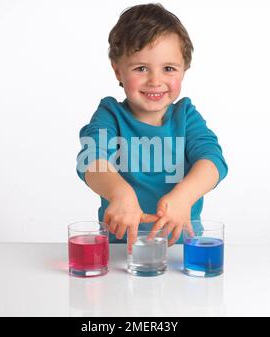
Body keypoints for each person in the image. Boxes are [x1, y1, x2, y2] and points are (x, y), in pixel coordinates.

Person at [76, 3, 228, 249]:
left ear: (184, 70)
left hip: (183, 247)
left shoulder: (186, 116)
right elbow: (90, 160)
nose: (155, 81)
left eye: (168, 68)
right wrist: (119, 193)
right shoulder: (110, 115)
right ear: (118, 71)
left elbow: (212, 161)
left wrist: (184, 197)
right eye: (140, 68)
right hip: (120, 248)